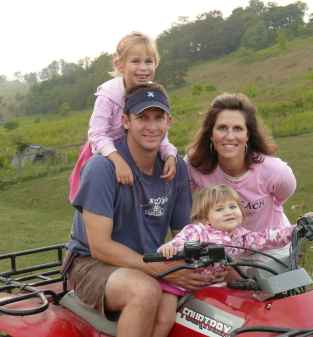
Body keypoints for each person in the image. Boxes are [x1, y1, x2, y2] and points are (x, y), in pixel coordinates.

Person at [65, 84, 225, 337]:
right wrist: (166, 270)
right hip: (93, 264)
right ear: (125, 121)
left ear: (169, 121)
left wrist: (205, 262)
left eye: (158, 118)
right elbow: (100, 247)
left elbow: (184, 231)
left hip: (151, 258)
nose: (152, 127)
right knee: (145, 290)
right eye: (142, 118)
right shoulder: (102, 168)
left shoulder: (175, 168)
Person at [153, 184, 298, 337]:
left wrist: (294, 230)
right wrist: (168, 249)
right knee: (164, 321)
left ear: (241, 212)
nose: (228, 212)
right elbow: (176, 244)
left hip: (206, 286)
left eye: (232, 207)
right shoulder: (196, 231)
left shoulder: (240, 237)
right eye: (219, 209)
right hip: (176, 285)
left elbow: (266, 238)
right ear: (205, 218)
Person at [185, 93, 297, 263]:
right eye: (222, 128)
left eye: (238, 128)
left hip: (270, 244)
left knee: (269, 288)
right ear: (211, 134)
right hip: (222, 246)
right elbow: (185, 206)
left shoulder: (276, 171)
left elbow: (282, 197)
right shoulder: (195, 163)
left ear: (248, 135)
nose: (230, 136)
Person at [68, 31, 177, 202]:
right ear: (120, 65)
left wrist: (169, 154)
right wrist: (117, 161)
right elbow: (96, 134)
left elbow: (157, 131)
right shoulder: (108, 96)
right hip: (103, 153)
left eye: (149, 61)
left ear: (156, 63)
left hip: (132, 153)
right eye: (135, 61)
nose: (143, 67)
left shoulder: (152, 93)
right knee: (94, 201)